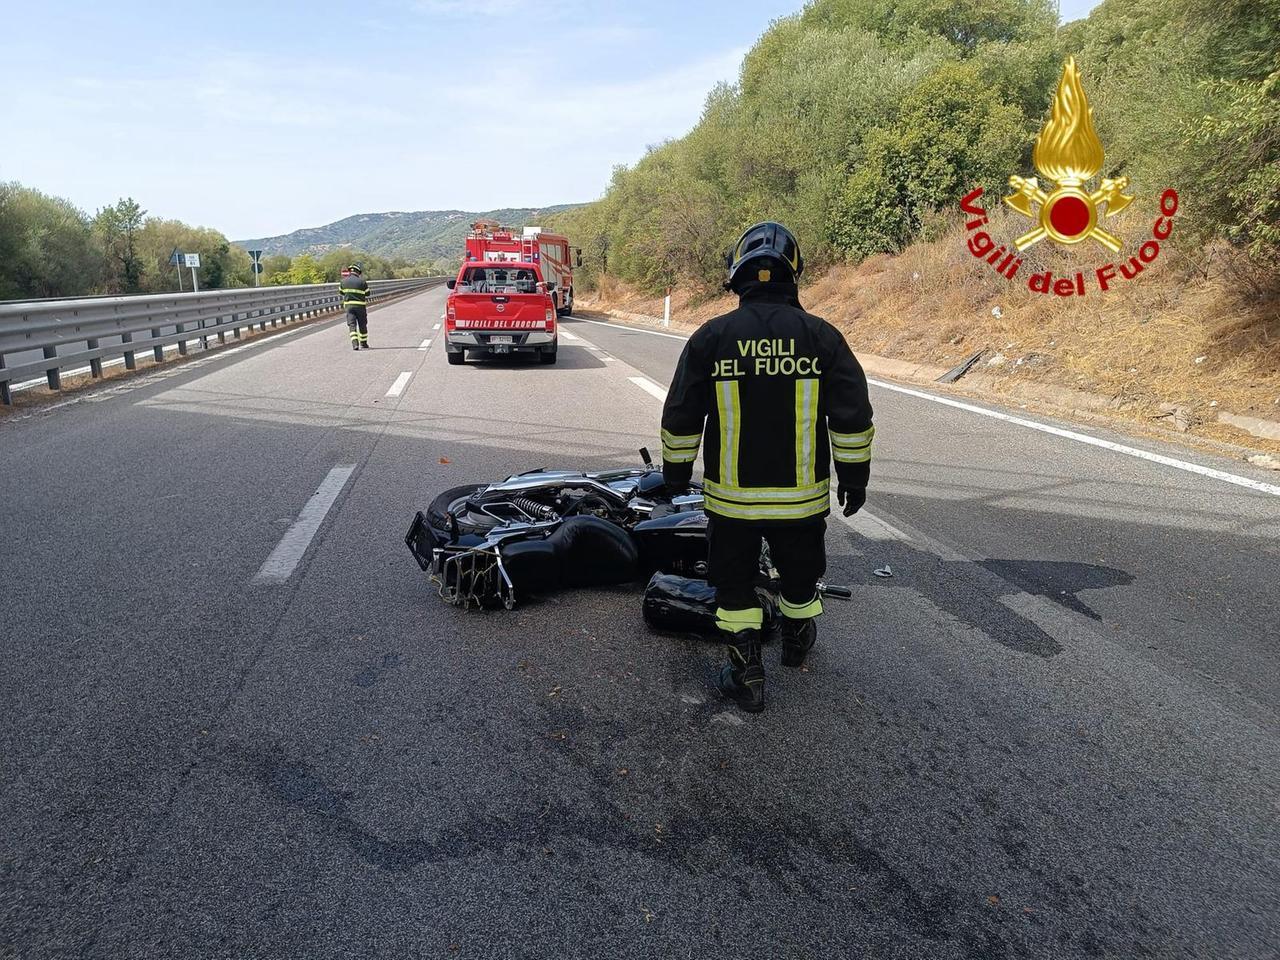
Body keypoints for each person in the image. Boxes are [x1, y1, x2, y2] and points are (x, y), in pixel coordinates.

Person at [660, 222, 874, 713]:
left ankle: (746, 675)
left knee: (733, 586)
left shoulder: (711, 337)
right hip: (800, 502)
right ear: (794, 275)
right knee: (799, 578)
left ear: (737, 277)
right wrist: (854, 477)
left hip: (731, 503)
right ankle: (798, 640)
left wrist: (675, 473)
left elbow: (681, 414)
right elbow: (852, 417)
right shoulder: (822, 337)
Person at [339, 264, 371, 350]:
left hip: (349, 307)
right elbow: (368, 293)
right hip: (360, 307)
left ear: (350, 271)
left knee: (352, 325)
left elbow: (341, 292)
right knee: (362, 325)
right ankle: (363, 343)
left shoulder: (343, 281)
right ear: (358, 272)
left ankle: (355, 344)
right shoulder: (362, 282)